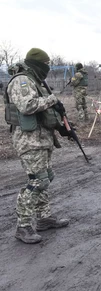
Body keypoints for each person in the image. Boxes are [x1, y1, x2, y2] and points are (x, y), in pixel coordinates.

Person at [4, 48, 69, 244]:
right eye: (46, 64)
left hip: (41, 139)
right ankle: (22, 227)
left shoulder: (36, 81)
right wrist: (52, 99)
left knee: (46, 178)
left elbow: (43, 113)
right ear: (38, 64)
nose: (48, 68)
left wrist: (61, 126)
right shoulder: (22, 80)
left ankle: (44, 218)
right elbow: (27, 105)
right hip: (29, 140)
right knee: (36, 181)